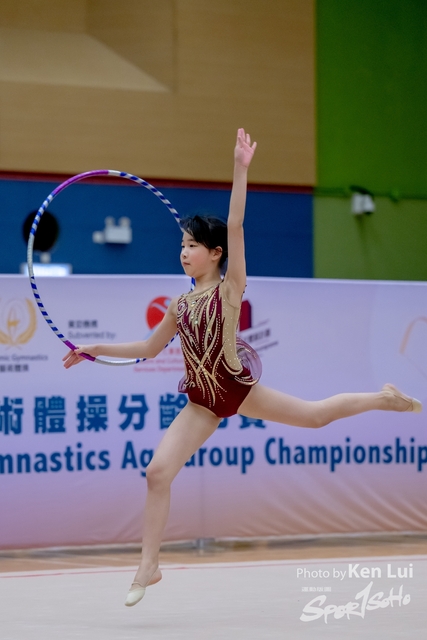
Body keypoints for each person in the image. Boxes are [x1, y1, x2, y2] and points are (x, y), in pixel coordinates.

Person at [63, 128, 422, 607]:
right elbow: (147, 348)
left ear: (215, 254)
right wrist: (93, 347)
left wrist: (240, 167)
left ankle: (384, 398)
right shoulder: (179, 305)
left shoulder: (229, 289)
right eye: (182, 244)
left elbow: (235, 224)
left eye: (194, 245)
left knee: (316, 416)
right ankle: (149, 566)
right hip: (201, 403)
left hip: (237, 388)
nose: (184, 251)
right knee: (156, 473)